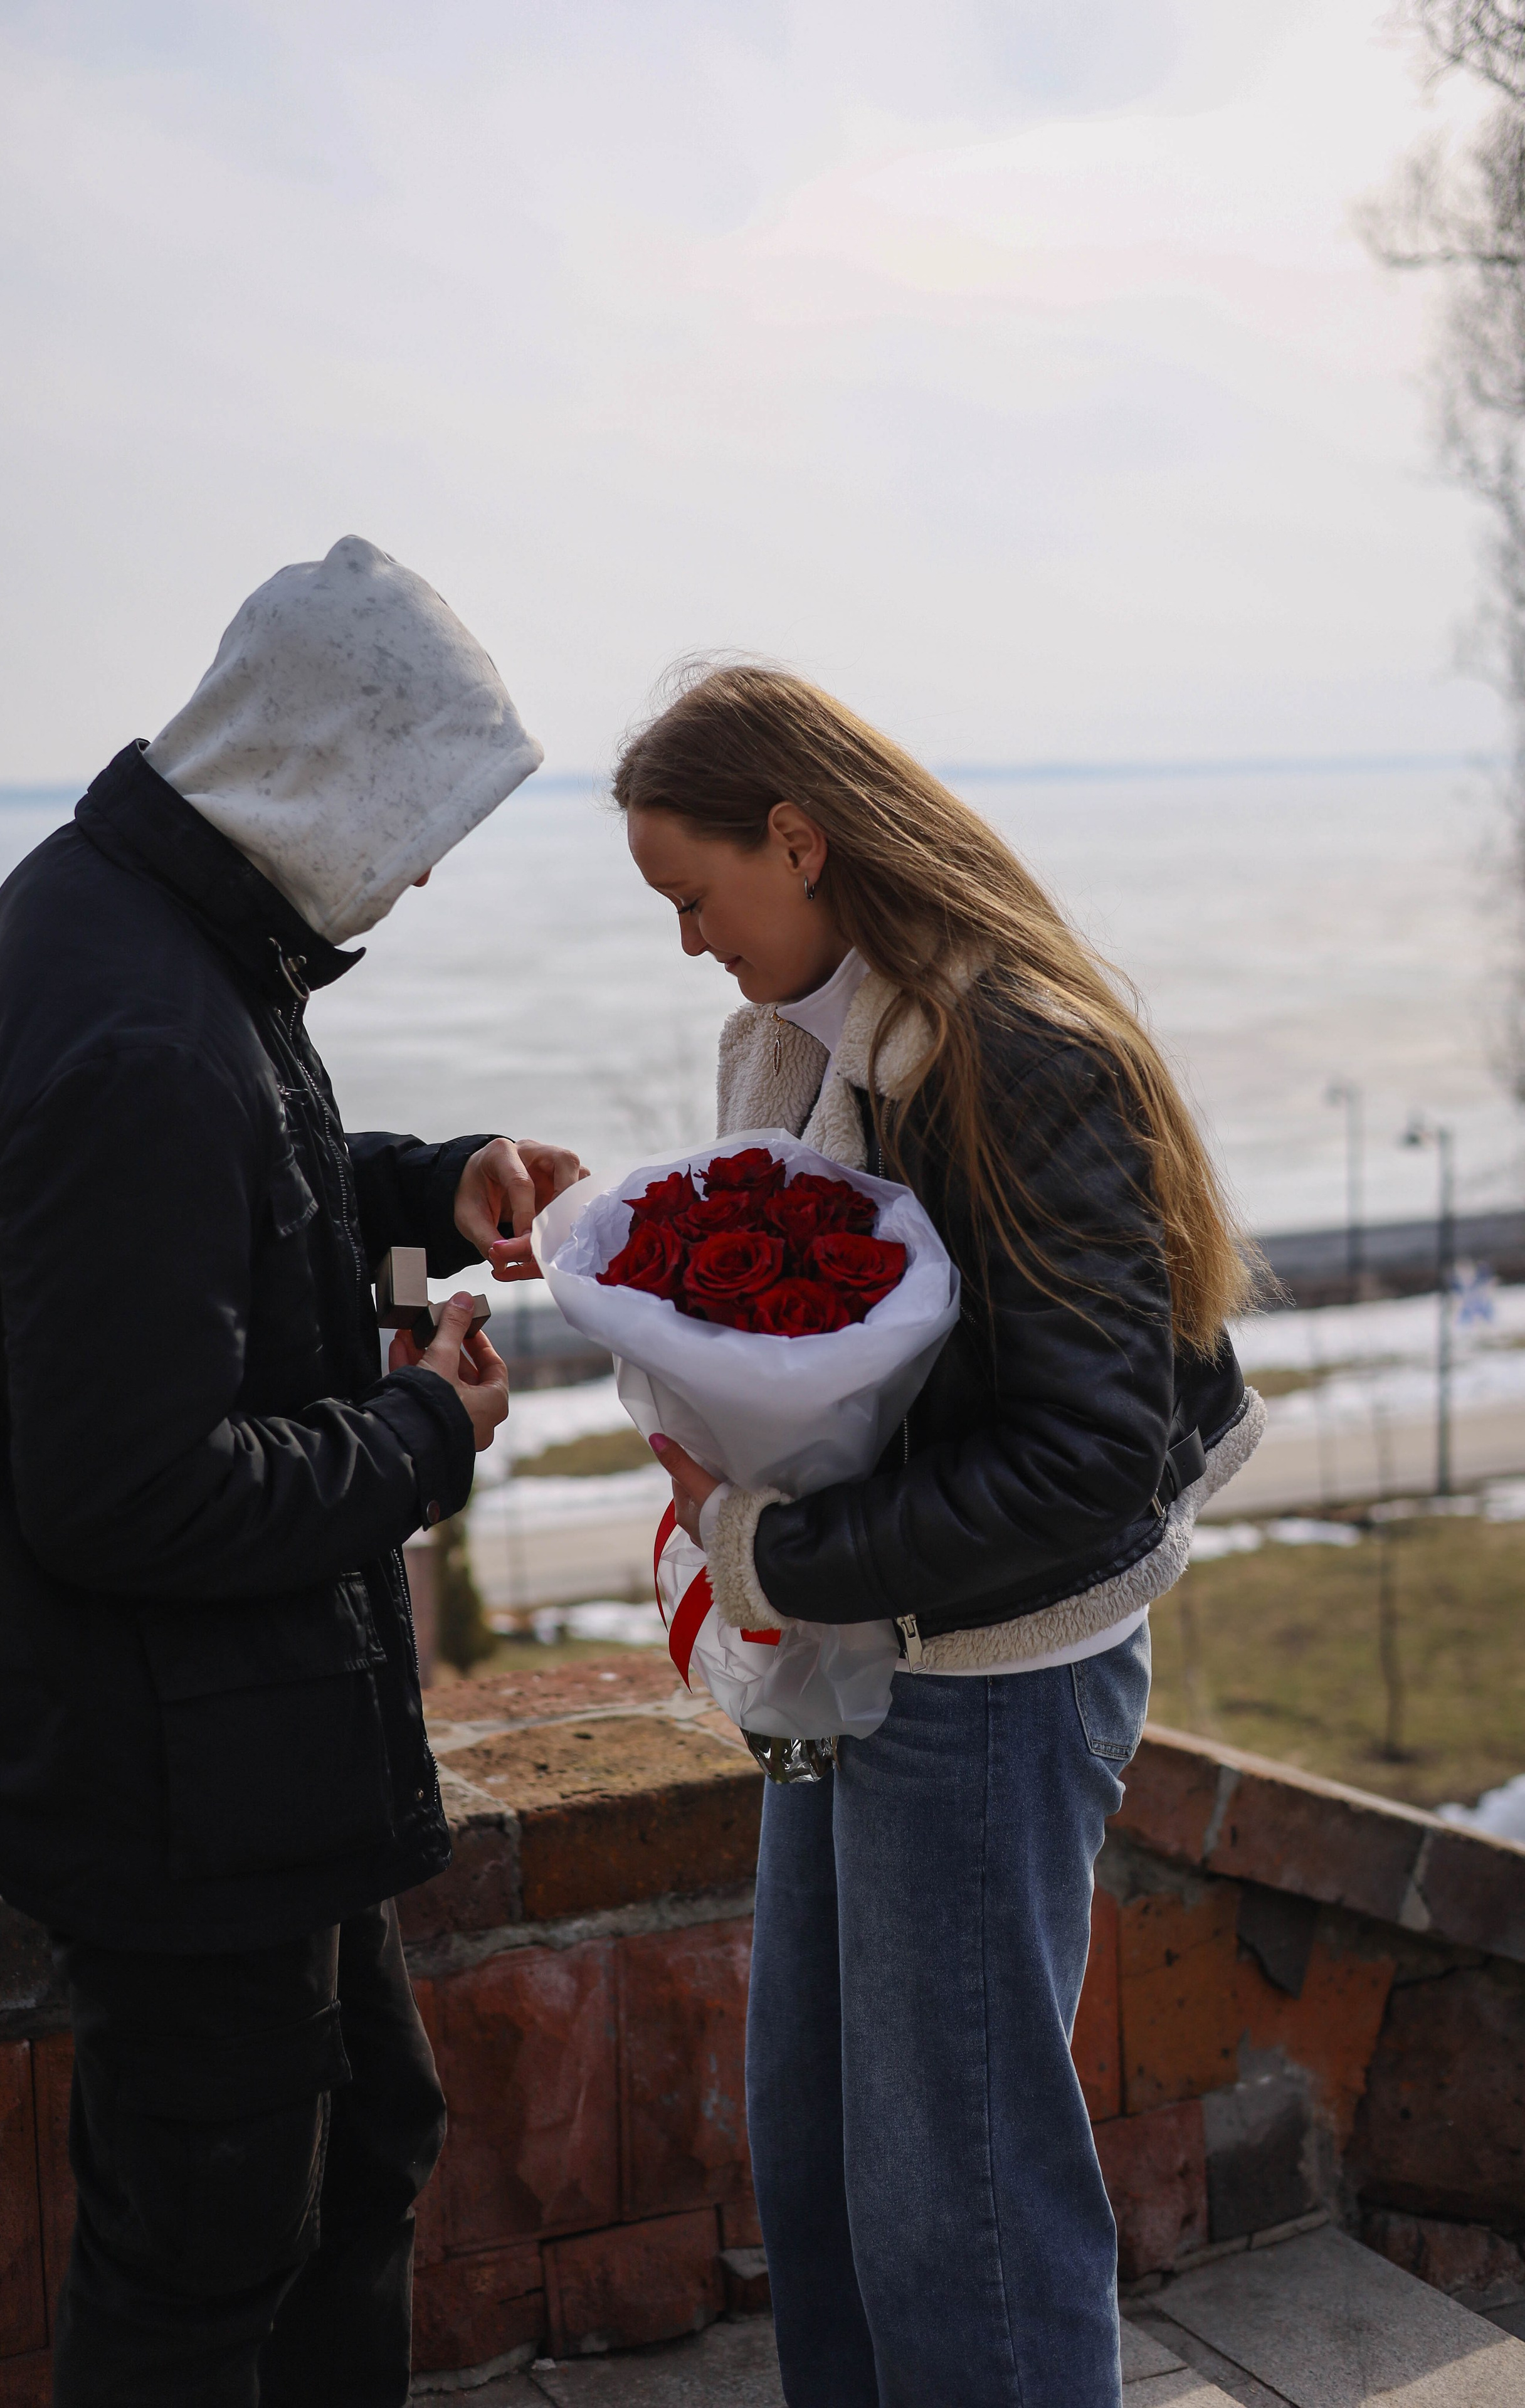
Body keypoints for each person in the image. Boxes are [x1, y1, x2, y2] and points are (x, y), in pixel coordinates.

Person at [0, 536, 583, 2407]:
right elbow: (131, 1493)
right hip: (171, 1774)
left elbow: (219, 1196)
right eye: (416, 819)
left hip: (228, 1742)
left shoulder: (130, 916)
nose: (424, 869)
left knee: (362, 2143)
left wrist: (428, 1184)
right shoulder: (142, 1020)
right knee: (204, 2256)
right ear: (326, 770)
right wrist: (424, 1435)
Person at [617, 665, 1265, 2408]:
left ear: (797, 838)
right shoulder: (808, 1037)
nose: (687, 941)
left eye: (694, 895)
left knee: (959, 2199)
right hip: (862, 1650)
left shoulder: (1016, 1055)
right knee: (824, 2152)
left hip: (991, 1680)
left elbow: (1086, 1460)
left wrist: (771, 1555)